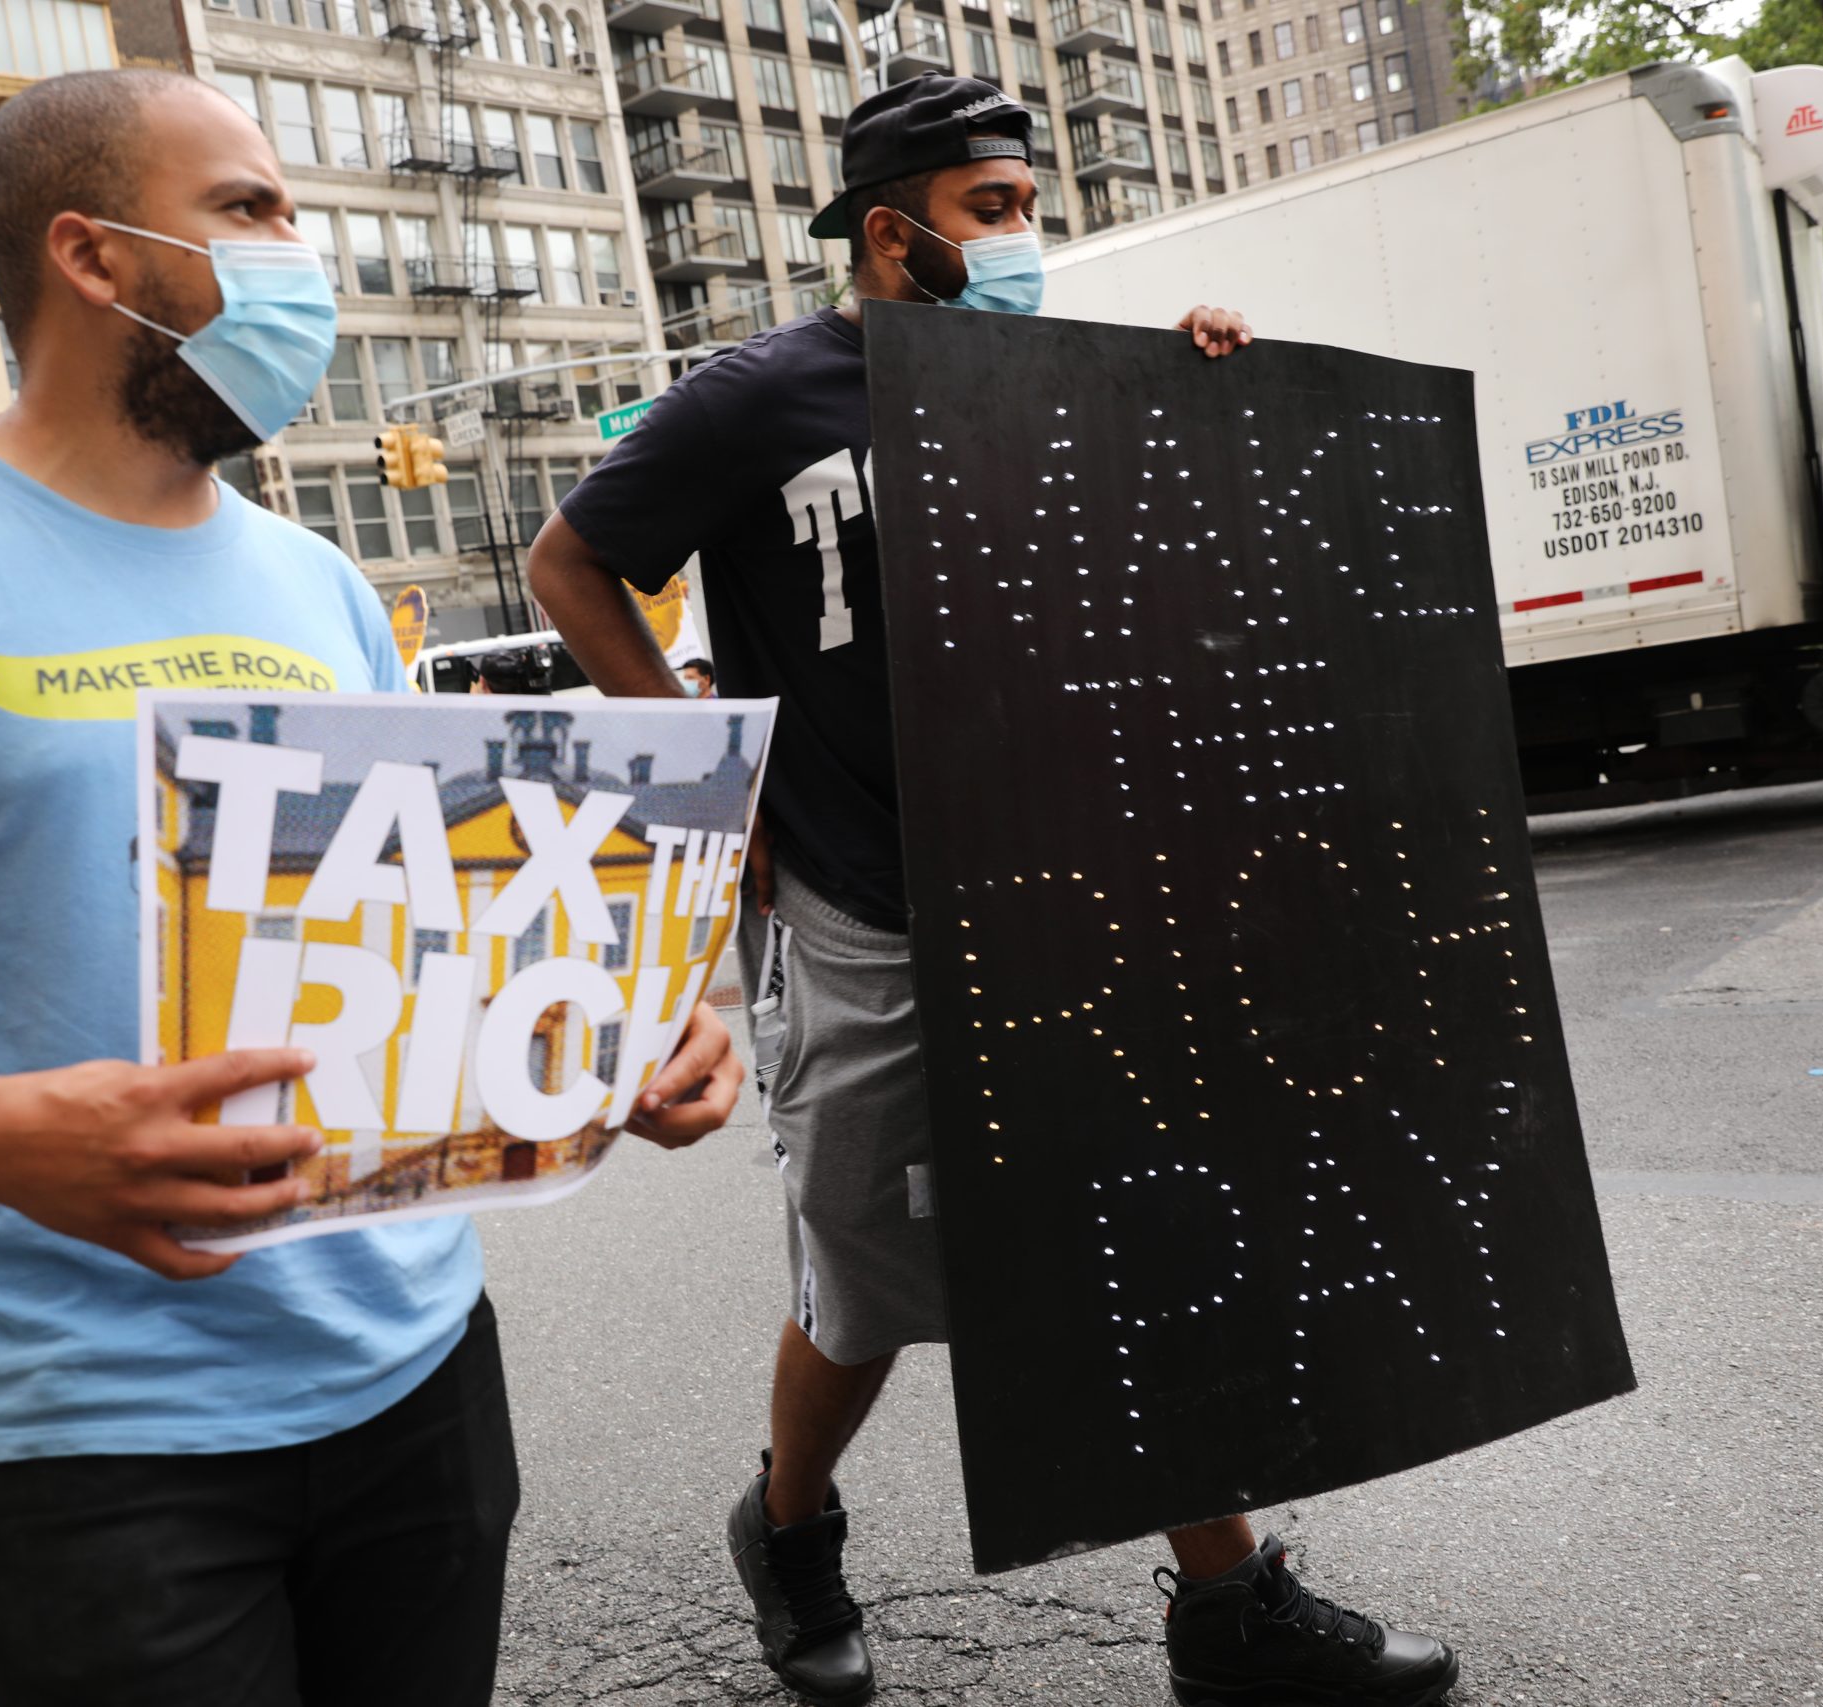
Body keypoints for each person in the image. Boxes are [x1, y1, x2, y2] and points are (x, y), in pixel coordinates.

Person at [0, 69, 740, 1706]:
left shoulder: (319, 577)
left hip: (417, 1375)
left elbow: (414, 935)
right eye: (249, 210)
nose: (298, 254)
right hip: (94, 1437)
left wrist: (618, 1038)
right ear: (92, 256)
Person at [531, 75, 1460, 1707]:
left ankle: (1229, 1608)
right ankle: (793, 1523)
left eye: (1035, 205)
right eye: (998, 211)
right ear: (897, 235)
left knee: (1144, 1236)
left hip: (1063, 900)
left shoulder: (1049, 382)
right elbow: (569, 560)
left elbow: (1170, 575)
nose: (1032, 241)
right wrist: (705, 763)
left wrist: (1211, 392)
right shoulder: (759, 397)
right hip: (865, 906)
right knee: (873, 1275)